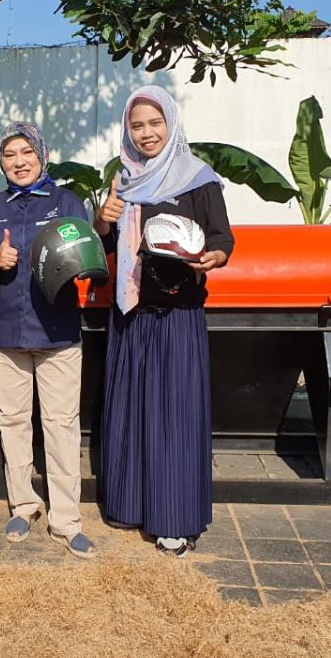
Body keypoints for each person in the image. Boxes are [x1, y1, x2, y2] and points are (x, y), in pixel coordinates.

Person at [93, 84, 233, 556]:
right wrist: (105, 220)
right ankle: (130, 505)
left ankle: (174, 519)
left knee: (174, 416)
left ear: (170, 124)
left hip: (177, 313)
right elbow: (106, 248)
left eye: (155, 123)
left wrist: (213, 257)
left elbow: (222, 239)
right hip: (131, 314)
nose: (147, 133)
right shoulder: (124, 180)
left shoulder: (198, 178)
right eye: (137, 125)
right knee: (132, 412)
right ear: (127, 131)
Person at [0, 121, 97, 558]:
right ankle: (23, 506)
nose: (18, 162)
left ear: (42, 154)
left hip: (57, 332)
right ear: (1, 161)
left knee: (60, 426)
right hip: (5, 332)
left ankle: (66, 520)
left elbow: (86, 254)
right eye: (9, 155)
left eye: (26, 152)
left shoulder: (67, 202)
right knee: (13, 422)